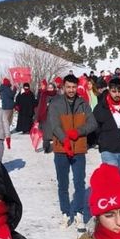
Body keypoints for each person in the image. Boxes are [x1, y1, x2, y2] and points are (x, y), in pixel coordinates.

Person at [46, 75, 97, 230]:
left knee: (79, 182)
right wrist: (65, 139)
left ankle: (79, 213)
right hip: (61, 149)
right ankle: (65, 213)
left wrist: (78, 132)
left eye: (74, 87)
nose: (71, 90)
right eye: (68, 87)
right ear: (63, 87)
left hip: (79, 149)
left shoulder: (83, 104)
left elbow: (92, 123)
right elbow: (54, 125)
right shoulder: (55, 104)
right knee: (63, 183)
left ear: (77, 87)